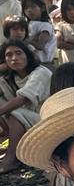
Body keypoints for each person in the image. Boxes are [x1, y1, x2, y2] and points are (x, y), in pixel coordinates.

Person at [0, 40, 51, 172]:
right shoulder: (11, 78)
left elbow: (21, 100)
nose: (14, 58)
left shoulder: (40, 73)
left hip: (48, 121)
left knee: (13, 112)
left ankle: (11, 158)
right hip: (29, 120)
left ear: (27, 56)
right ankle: (15, 146)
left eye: (18, 53)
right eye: (9, 55)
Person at [21, 0, 56, 66]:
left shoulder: (45, 26)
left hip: (43, 63)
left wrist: (24, 41)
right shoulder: (27, 25)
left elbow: (40, 46)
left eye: (33, 6)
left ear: (42, 8)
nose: (29, 10)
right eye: (26, 8)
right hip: (31, 63)